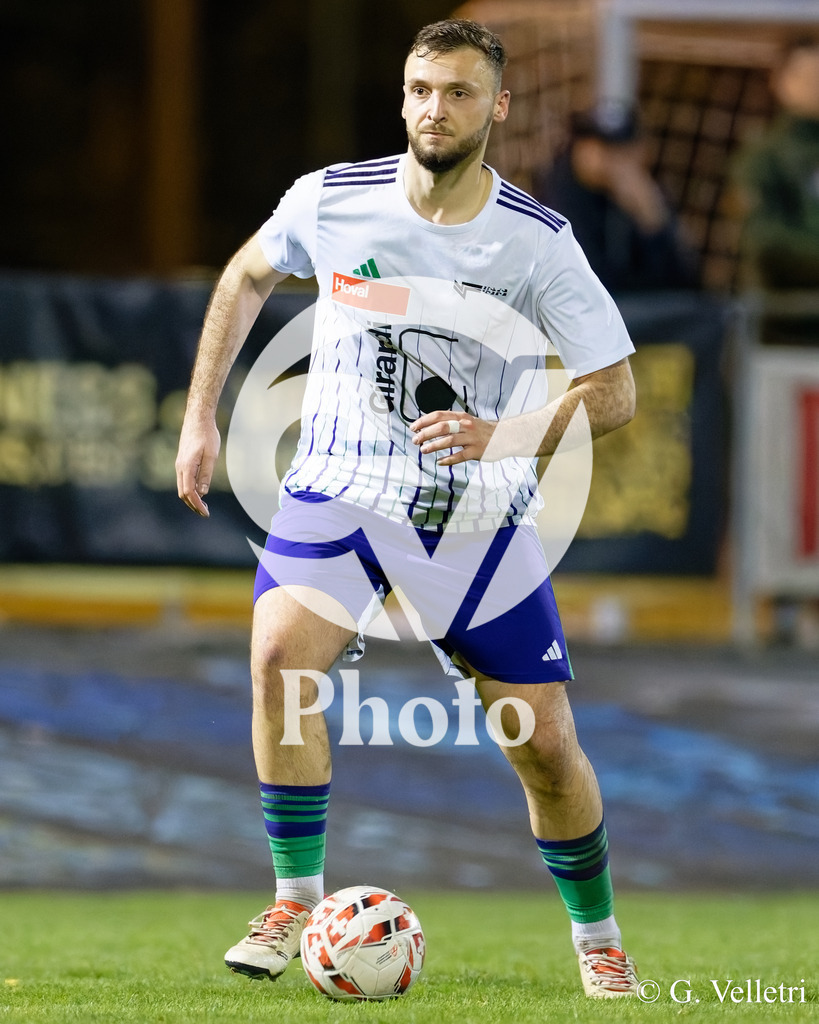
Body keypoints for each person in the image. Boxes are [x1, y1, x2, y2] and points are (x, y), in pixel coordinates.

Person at [176, 19, 639, 998]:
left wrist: (503, 438)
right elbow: (248, 272)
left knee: (547, 746)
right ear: (402, 98)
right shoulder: (331, 201)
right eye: (422, 89)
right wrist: (203, 415)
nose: (437, 108)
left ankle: (599, 939)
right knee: (274, 658)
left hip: (471, 519)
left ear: (497, 108)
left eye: (460, 92)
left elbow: (616, 391)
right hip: (340, 488)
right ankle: (297, 897)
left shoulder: (538, 242)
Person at [534, 102, 699, 293]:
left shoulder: (642, 189)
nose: (601, 158)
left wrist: (653, 224)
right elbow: (587, 284)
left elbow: (685, 282)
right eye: (592, 145)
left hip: (638, 311)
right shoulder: (558, 196)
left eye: (615, 150)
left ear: (640, 151)